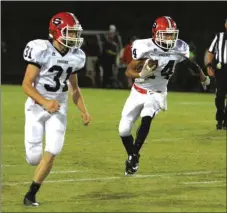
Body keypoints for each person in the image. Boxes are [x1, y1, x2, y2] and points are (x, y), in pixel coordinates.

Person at [118, 16, 210, 176]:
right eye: (165, 34)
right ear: (156, 34)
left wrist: (203, 78)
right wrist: (141, 73)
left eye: (171, 34)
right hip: (138, 90)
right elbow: (128, 70)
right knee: (123, 130)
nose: (169, 38)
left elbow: (191, 65)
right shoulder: (144, 46)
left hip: (158, 92)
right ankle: (134, 155)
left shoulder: (179, 48)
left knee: (147, 116)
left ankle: (134, 156)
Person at [22, 12, 91, 206]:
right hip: (37, 108)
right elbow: (26, 85)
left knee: (53, 149)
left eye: (76, 33)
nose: (74, 37)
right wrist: (45, 102)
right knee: (34, 158)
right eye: (70, 32)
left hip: (58, 109)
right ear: (56, 32)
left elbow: (74, 88)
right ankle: (33, 175)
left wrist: (83, 110)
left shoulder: (76, 56)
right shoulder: (41, 49)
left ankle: (31, 194)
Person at [206, 17, 227, 130]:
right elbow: (210, 52)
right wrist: (209, 65)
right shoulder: (219, 36)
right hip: (221, 68)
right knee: (220, 95)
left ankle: (226, 121)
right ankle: (220, 118)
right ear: (225, 25)